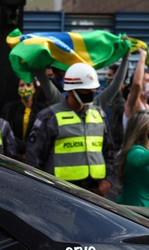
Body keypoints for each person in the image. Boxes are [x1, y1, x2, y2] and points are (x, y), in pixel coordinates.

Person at [26, 62, 114, 196]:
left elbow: (108, 152)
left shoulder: (99, 114)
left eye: (93, 89)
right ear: (71, 90)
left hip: (95, 193)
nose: (91, 93)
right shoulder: (49, 117)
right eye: (86, 90)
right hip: (60, 194)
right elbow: (34, 159)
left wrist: (108, 180)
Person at [0, 79, 47, 161]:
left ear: (34, 89)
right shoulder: (10, 108)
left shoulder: (41, 109)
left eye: (28, 85)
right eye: (21, 85)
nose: (25, 88)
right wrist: (21, 149)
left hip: (35, 155)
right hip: (14, 154)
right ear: (18, 89)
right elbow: (5, 131)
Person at [123, 48, 149, 130]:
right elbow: (137, 84)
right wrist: (143, 55)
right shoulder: (133, 101)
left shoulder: (147, 106)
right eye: (146, 80)